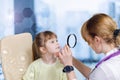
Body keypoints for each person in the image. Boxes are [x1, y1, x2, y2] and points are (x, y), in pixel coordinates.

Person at [57, 13, 120, 80]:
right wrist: (71, 60)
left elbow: (98, 74)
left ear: (97, 40)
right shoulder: (114, 60)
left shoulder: (105, 69)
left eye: (88, 42)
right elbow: (94, 75)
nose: (89, 45)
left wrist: (68, 66)